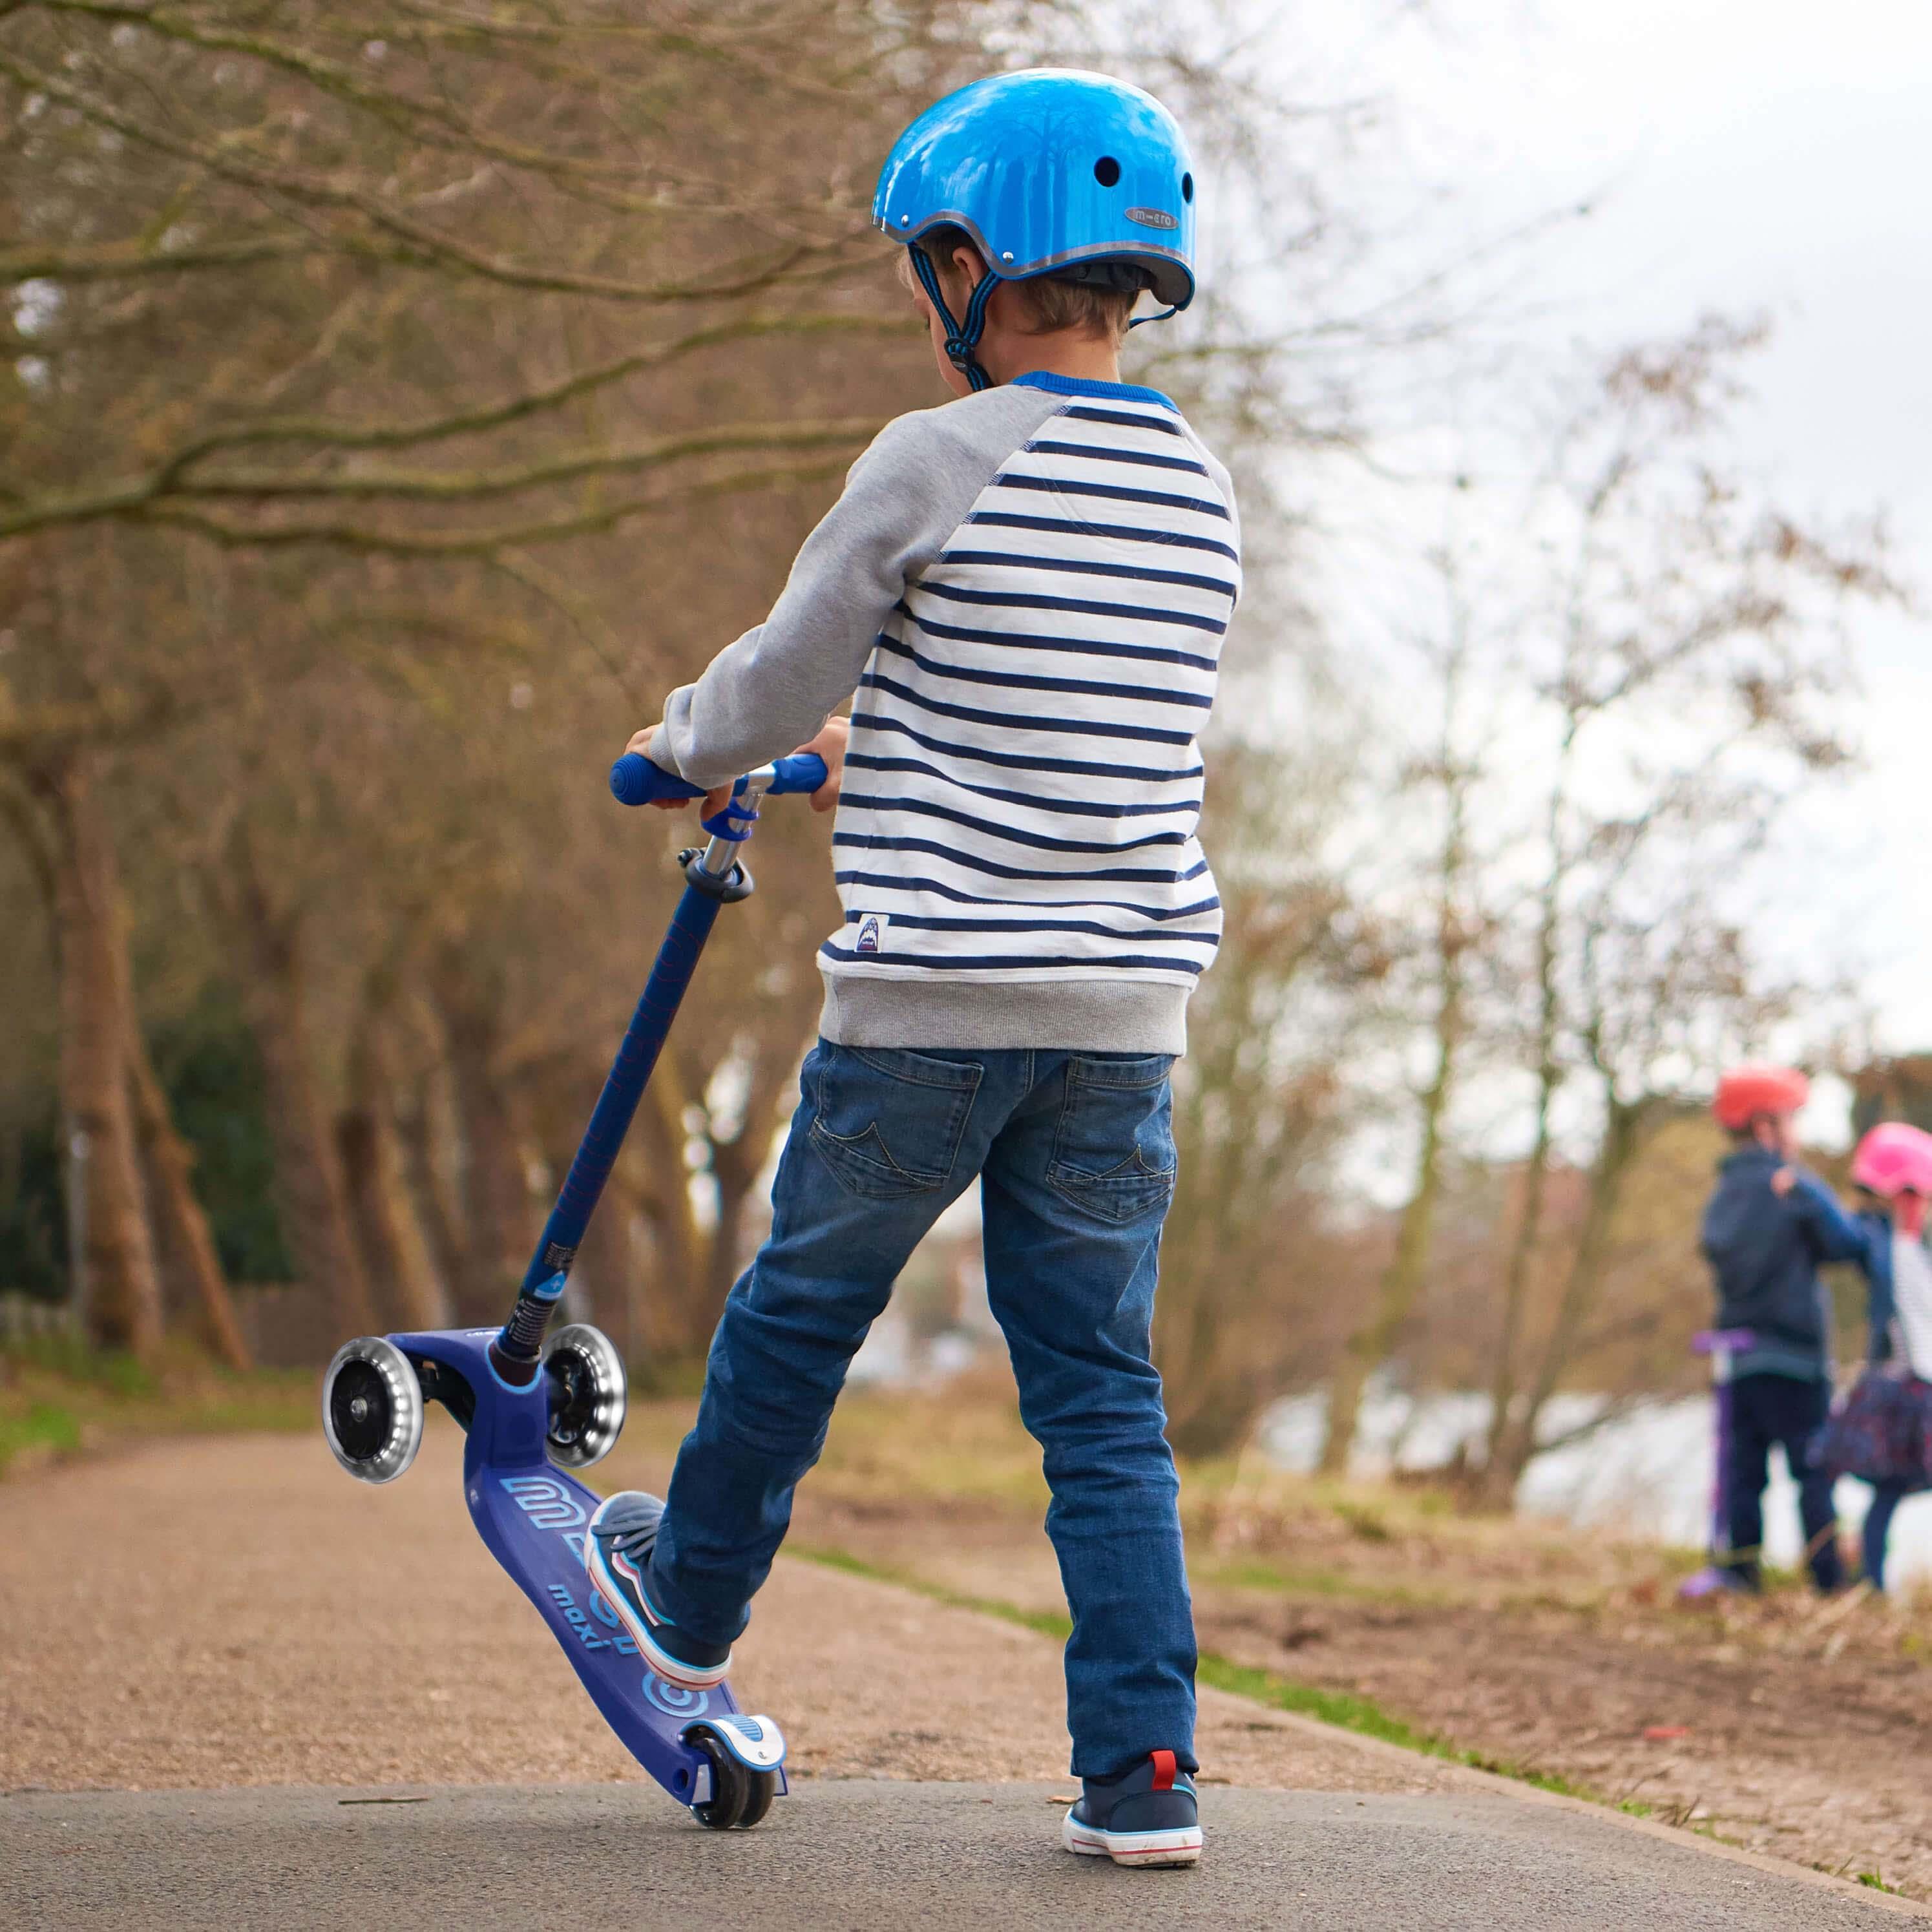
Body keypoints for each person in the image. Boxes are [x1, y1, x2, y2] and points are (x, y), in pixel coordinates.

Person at [584, 71, 1226, 1869]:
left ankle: (691, 1598)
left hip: (931, 1006)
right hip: (1115, 1018)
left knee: (801, 1311)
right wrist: (896, 740)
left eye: (917, 266)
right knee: (1098, 1390)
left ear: (967, 265)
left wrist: (686, 741)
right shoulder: (1192, 481)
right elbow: (1080, 706)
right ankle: (1143, 1765)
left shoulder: (930, 453)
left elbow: (783, 673)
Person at [1700, 1065, 1865, 1591]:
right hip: (1796, 1354)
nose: (1797, 1133)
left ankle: (1740, 1573)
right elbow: (1848, 1244)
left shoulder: (1724, 1193)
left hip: (1740, 1355)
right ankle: (1827, 1578)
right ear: (1765, 1126)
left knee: (1744, 1471)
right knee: (1812, 1470)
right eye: (1792, 1120)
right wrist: (1813, 1195)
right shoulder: (1793, 1187)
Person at [1814, 1122, 1932, 1591]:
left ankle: (1870, 1581)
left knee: (1886, 1489)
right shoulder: (1890, 1249)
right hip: (1906, 1388)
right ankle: (1869, 1582)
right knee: (1881, 1487)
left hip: (1915, 1385)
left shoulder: (1912, 1253)